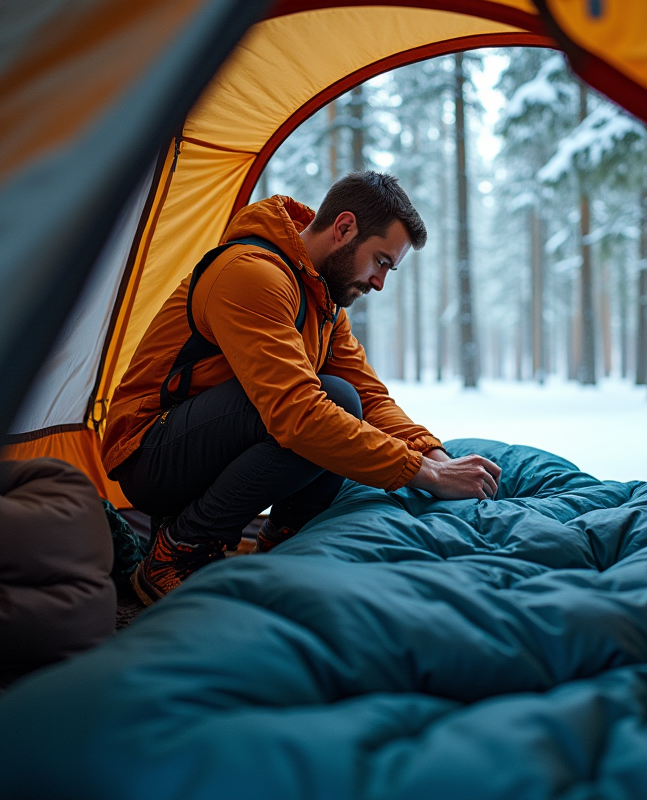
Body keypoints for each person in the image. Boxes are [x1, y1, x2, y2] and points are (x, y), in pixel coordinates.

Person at [101, 172, 500, 605]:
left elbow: (370, 397)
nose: (380, 282)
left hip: (205, 445)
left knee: (346, 400)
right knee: (327, 405)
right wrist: (426, 474)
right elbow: (298, 414)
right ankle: (175, 553)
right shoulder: (251, 274)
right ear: (344, 228)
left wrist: (436, 456)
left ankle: (276, 546)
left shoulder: (323, 300)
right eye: (381, 261)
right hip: (149, 453)